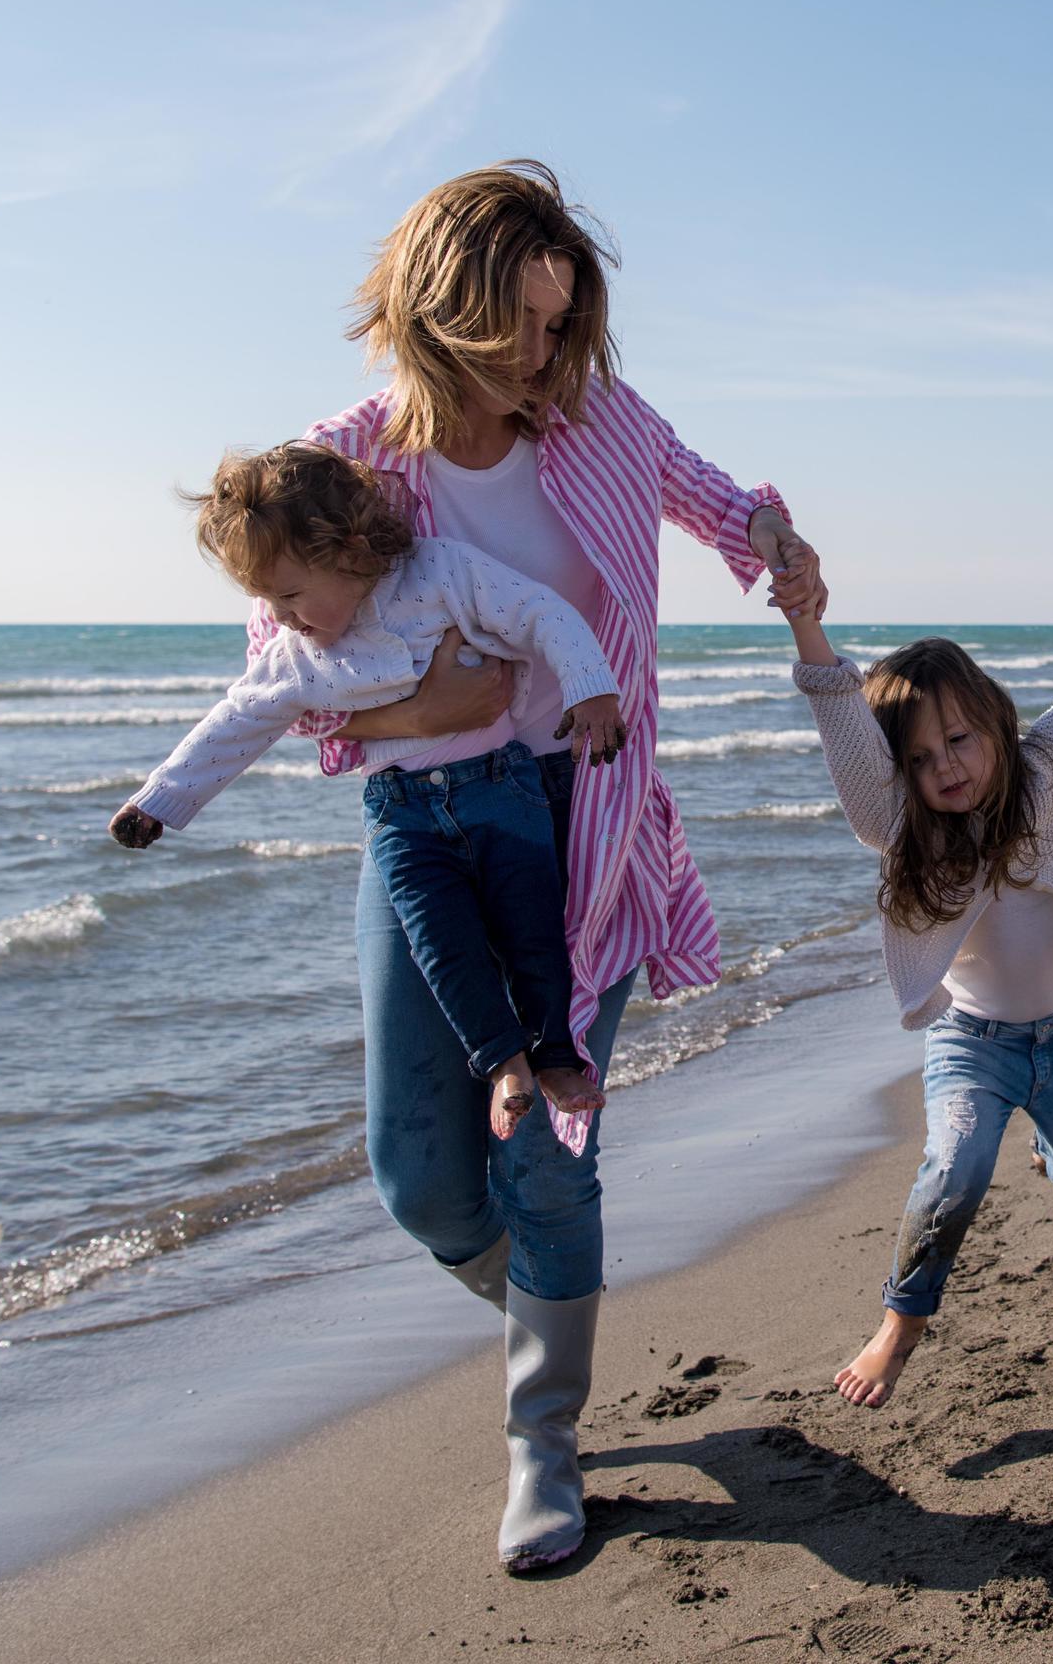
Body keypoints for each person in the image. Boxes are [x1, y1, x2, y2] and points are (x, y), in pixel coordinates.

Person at [266, 161, 823, 1571]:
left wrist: (774, 541)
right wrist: (422, 717)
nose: (539, 354)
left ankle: (544, 1441)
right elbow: (279, 673)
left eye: (561, 323)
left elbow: (710, 498)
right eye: (514, 322)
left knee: (547, 1150)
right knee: (421, 1177)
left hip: (588, 827)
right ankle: (546, 1306)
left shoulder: (600, 424)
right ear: (435, 310)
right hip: (433, 840)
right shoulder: (347, 468)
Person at [785, 531, 1053, 1408]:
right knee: (952, 1172)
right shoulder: (898, 825)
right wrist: (806, 628)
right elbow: (843, 731)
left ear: (994, 720)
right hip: (971, 1041)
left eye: (961, 739)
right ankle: (899, 1327)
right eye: (921, 758)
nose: (947, 767)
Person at [108, 441, 625, 1136]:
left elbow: (542, 613)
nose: (281, 618)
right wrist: (160, 802)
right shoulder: (297, 654)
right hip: (403, 819)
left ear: (349, 550)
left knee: (533, 930)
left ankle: (557, 1057)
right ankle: (505, 1061)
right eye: (266, 600)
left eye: (289, 595)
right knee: (444, 948)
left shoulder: (440, 571)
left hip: (503, 789)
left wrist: (592, 691)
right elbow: (238, 720)